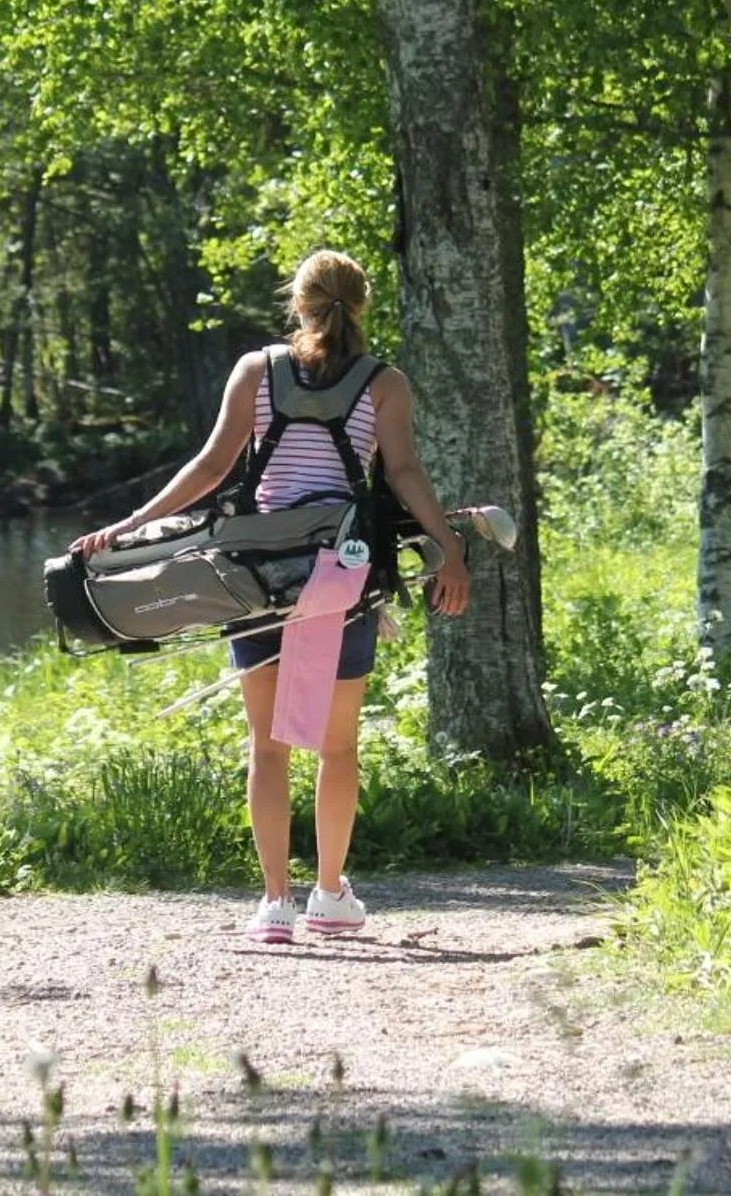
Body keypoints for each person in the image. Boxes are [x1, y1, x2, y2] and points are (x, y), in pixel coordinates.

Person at [70, 250, 471, 943]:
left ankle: (275, 903)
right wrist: (449, 550)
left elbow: (211, 466)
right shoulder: (384, 384)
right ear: (361, 305)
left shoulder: (257, 370)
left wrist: (132, 525)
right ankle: (329, 894)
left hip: (254, 578)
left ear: (297, 302)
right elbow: (403, 472)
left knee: (268, 746)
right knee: (336, 747)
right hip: (340, 579)